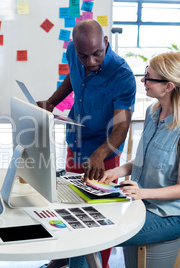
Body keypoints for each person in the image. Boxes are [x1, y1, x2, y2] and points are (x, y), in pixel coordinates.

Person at [70, 51, 180, 267]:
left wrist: (141, 192)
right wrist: (115, 172)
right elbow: (142, 161)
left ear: (169, 86)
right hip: (141, 203)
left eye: (149, 77)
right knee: (82, 229)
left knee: (91, 238)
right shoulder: (153, 112)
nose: (143, 80)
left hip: (171, 215)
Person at [37, 19, 136, 268]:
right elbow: (73, 76)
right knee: (72, 204)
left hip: (105, 153)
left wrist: (100, 153)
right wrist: (52, 101)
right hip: (75, 141)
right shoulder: (73, 51)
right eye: (84, 56)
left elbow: (122, 125)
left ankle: (97, 264)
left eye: (96, 54)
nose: (90, 62)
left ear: (106, 42)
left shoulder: (122, 76)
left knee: (100, 217)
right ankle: (67, 257)